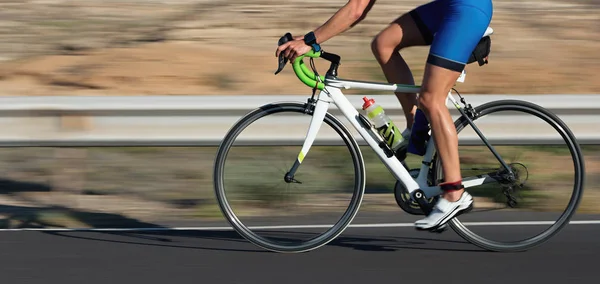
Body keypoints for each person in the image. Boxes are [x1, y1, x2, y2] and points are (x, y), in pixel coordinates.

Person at [276, 0, 493, 231]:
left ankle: (454, 193)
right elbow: (358, 11)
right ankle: (417, 128)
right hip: (449, 7)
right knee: (383, 44)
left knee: (431, 99)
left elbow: (356, 8)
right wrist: (309, 39)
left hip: (467, 9)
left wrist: (311, 40)